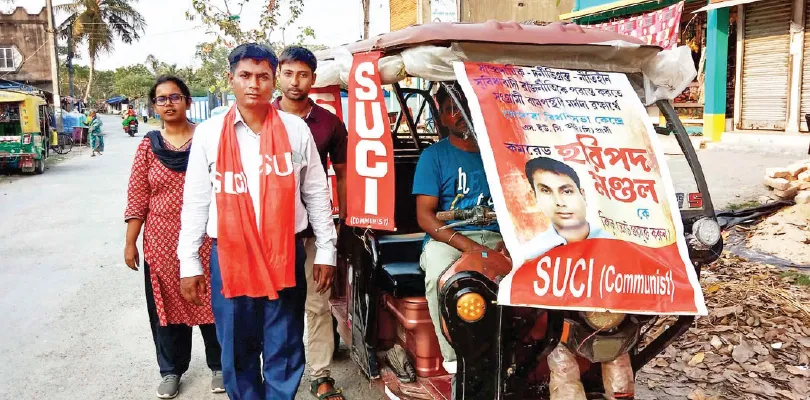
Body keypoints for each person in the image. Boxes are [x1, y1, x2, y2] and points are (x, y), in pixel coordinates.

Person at [177, 43, 337, 400]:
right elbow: (196, 201)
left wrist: (327, 251)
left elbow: (315, 193)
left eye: (263, 76)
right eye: (245, 75)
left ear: (273, 80)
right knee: (236, 346)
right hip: (230, 255)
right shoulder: (209, 133)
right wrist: (189, 262)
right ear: (230, 78)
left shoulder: (296, 130)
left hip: (285, 252)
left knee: (285, 343)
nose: (254, 84)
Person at [124, 75, 224, 399]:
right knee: (165, 308)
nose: (169, 104)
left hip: (205, 239)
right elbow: (138, 196)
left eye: (175, 97)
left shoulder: (207, 138)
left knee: (212, 302)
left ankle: (220, 365)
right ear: (154, 106)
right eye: (162, 99)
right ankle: (170, 370)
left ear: (188, 101)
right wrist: (130, 242)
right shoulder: (148, 146)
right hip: (160, 243)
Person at [272, 46, 348, 400]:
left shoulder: (329, 123)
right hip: (272, 232)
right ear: (278, 76)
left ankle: (320, 374)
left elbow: (343, 174)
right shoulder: (262, 118)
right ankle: (276, 373)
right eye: (288, 74)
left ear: (313, 79)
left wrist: (343, 221)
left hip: (316, 229)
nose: (295, 82)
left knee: (318, 303)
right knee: (275, 305)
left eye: (302, 75)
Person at [413, 83, 503, 374]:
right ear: (442, 117)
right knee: (440, 275)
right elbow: (425, 217)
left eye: (465, 106)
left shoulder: (499, 153)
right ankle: (454, 361)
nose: (460, 114)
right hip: (448, 240)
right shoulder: (434, 156)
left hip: (500, 236)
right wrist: (471, 248)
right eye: (452, 109)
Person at [521, 156, 613, 261]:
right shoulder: (530, 254)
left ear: (583, 195)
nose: (559, 202)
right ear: (534, 197)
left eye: (567, 191)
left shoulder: (615, 244)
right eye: (546, 191)